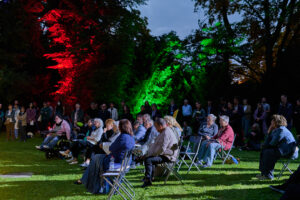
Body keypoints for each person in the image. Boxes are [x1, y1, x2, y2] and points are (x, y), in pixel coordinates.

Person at [74, 119, 135, 194]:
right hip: (125, 163)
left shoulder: (122, 137)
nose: (117, 127)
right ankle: (91, 184)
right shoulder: (131, 137)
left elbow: (111, 148)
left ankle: (94, 186)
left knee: (95, 160)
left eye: (118, 126)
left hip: (114, 164)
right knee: (96, 158)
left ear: (121, 127)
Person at [142, 118, 179, 188]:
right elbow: (157, 146)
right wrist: (149, 153)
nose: (156, 129)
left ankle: (148, 180)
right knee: (149, 158)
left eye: (156, 127)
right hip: (165, 154)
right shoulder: (164, 131)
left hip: (168, 156)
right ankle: (150, 178)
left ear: (160, 126)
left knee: (148, 160)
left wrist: (152, 154)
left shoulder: (166, 133)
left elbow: (162, 148)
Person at [258, 115, 297, 180]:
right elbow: (268, 143)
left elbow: (272, 143)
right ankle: (264, 173)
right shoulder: (276, 130)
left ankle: (268, 175)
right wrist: (269, 132)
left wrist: (265, 143)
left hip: (289, 152)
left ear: (277, 122)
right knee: (265, 150)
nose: (271, 122)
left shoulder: (281, 130)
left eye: (273, 120)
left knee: (268, 152)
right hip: (282, 150)